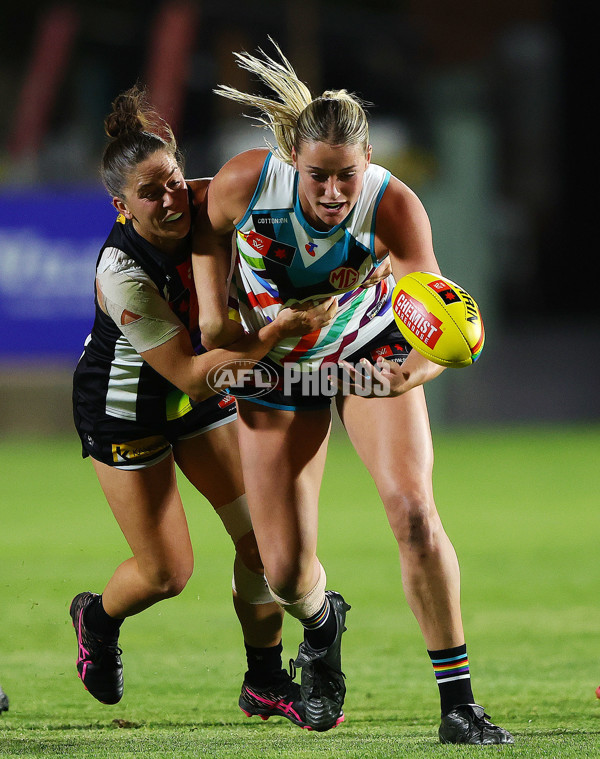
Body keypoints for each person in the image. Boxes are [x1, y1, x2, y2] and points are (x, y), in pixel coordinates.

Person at [191, 41, 514, 743]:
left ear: (367, 164)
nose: (334, 194)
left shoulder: (393, 204)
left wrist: (412, 373)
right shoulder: (247, 183)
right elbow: (207, 230)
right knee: (280, 570)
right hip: (277, 362)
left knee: (413, 511)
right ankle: (322, 622)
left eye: (347, 176)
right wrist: (218, 317)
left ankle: (457, 703)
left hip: (367, 349)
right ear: (291, 163)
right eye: (318, 178)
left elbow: (437, 319)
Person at [70, 84, 337, 728]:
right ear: (120, 206)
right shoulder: (120, 272)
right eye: (148, 193)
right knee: (168, 573)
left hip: (206, 395)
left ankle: (264, 680)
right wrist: (279, 332)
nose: (169, 201)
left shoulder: (207, 203)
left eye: (171, 180)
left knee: (260, 542)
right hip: (129, 409)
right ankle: (97, 619)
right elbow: (190, 376)